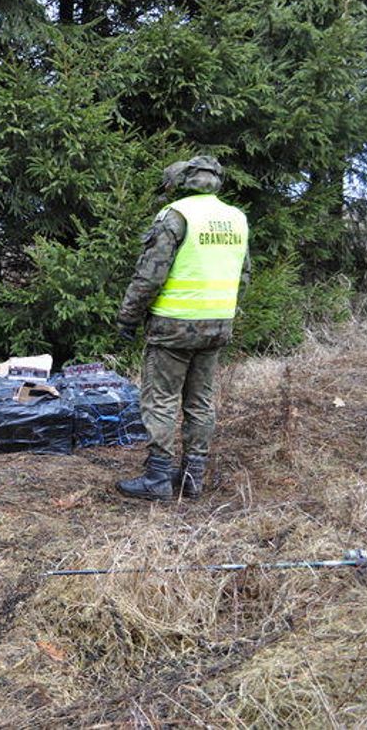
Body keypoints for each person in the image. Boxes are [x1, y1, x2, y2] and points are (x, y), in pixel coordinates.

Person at [115, 156, 250, 501]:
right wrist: (224, 313)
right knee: (200, 402)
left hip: (173, 326)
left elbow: (150, 275)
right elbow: (244, 275)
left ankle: (158, 477)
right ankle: (193, 477)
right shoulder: (236, 218)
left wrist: (128, 316)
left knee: (160, 399)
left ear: (181, 181)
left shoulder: (176, 216)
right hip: (217, 326)